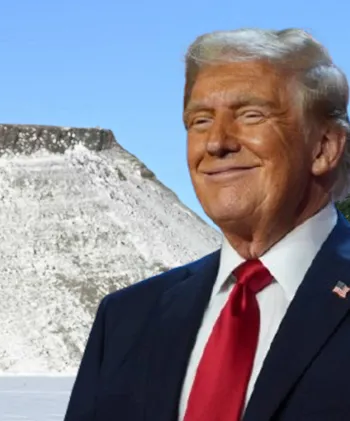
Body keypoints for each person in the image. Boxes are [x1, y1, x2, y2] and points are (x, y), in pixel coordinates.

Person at [64, 27, 350, 421]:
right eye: (199, 121)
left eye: (250, 115)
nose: (216, 142)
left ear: (324, 147)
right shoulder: (125, 318)